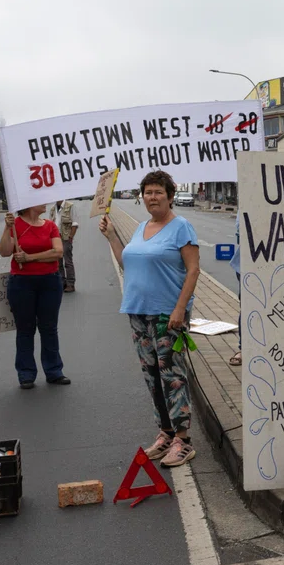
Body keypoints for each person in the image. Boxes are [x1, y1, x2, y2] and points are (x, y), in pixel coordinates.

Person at [99, 170, 201, 468]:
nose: (152, 197)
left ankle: (183, 440)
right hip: (138, 311)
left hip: (167, 314)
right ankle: (166, 432)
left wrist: (180, 309)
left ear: (170, 196)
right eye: (147, 192)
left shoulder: (181, 227)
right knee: (152, 375)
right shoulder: (142, 226)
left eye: (158, 192)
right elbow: (125, 262)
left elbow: (193, 270)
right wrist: (111, 236)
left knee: (172, 375)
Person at [0, 206, 71, 389]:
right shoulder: (16, 225)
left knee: (49, 328)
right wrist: (7, 229)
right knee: (25, 330)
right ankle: (26, 374)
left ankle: (54, 371)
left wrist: (30, 258)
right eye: (39, 201)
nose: (45, 203)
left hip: (50, 282)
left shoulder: (50, 226)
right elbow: (5, 252)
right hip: (21, 283)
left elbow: (58, 252)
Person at [49, 199, 79, 293]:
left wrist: (70, 237)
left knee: (68, 261)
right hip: (55, 238)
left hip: (66, 237)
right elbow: (50, 223)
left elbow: (75, 223)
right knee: (58, 261)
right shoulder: (52, 208)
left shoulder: (70, 206)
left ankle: (70, 284)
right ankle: (62, 283)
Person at [229, 213, 242, 366]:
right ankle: (244, 349)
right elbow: (241, 229)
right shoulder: (250, 197)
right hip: (249, 264)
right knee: (248, 308)